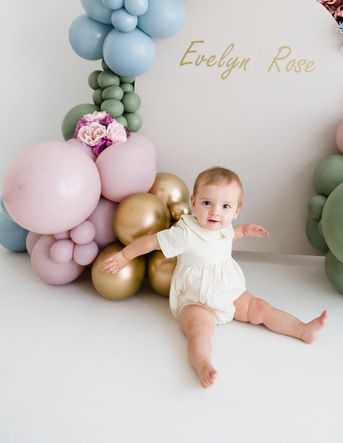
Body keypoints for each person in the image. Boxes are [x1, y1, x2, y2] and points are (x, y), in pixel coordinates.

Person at [101, 166, 328, 388]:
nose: (215, 212)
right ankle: (203, 364)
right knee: (200, 330)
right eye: (207, 203)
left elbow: (229, 235)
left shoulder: (225, 226)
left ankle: (301, 329)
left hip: (227, 290)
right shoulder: (185, 232)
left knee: (260, 308)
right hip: (195, 298)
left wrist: (244, 230)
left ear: (236, 211)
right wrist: (123, 256)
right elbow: (150, 242)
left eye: (225, 206)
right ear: (194, 202)